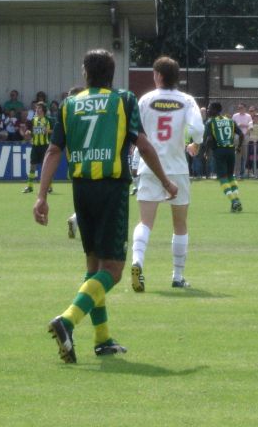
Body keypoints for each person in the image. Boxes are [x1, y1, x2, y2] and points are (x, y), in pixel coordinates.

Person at [33, 48, 177, 364]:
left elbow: (54, 151)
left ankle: (102, 339)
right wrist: (166, 182)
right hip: (111, 189)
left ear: (86, 73)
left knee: (94, 268)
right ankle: (67, 321)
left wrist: (42, 196)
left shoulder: (70, 104)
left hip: (81, 191)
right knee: (112, 270)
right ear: (112, 74)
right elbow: (143, 144)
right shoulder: (123, 100)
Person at [129, 56, 204, 292]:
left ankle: (137, 261)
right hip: (177, 169)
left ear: (158, 76)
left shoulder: (146, 99)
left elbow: (135, 132)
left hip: (149, 166)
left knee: (145, 221)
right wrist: (196, 144)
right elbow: (197, 129)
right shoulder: (186, 100)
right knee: (179, 224)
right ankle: (178, 275)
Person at [201, 101, 244, 212]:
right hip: (230, 150)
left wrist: (206, 151)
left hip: (219, 150)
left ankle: (234, 201)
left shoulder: (210, 122)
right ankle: (237, 200)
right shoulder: (230, 120)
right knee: (231, 176)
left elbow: (209, 139)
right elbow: (241, 134)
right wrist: (238, 147)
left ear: (215, 110)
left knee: (223, 178)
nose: (208, 110)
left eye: (209, 108)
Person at [23, 102, 52, 193]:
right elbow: (29, 130)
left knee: (46, 168)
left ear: (43, 110)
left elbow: (55, 130)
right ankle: (30, 186)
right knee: (32, 166)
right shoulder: (33, 120)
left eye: (39, 108)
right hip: (35, 146)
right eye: (36, 108)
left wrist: (48, 130)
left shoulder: (48, 120)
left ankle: (49, 187)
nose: (37, 110)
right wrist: (28, 132)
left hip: (45, 146)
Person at [232, 103, 252, 178]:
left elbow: (250, 127)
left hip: (245, 136)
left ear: (245, 108)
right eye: (239, 108)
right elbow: (232, 126)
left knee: (245, 156)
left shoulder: (248, 116)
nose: (240, 109)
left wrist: (243, 125)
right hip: (237, 137)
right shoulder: (235, 116)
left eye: (241, 108)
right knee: (237, 156)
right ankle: (236, 174)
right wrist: (238, 126)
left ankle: (245, 173)